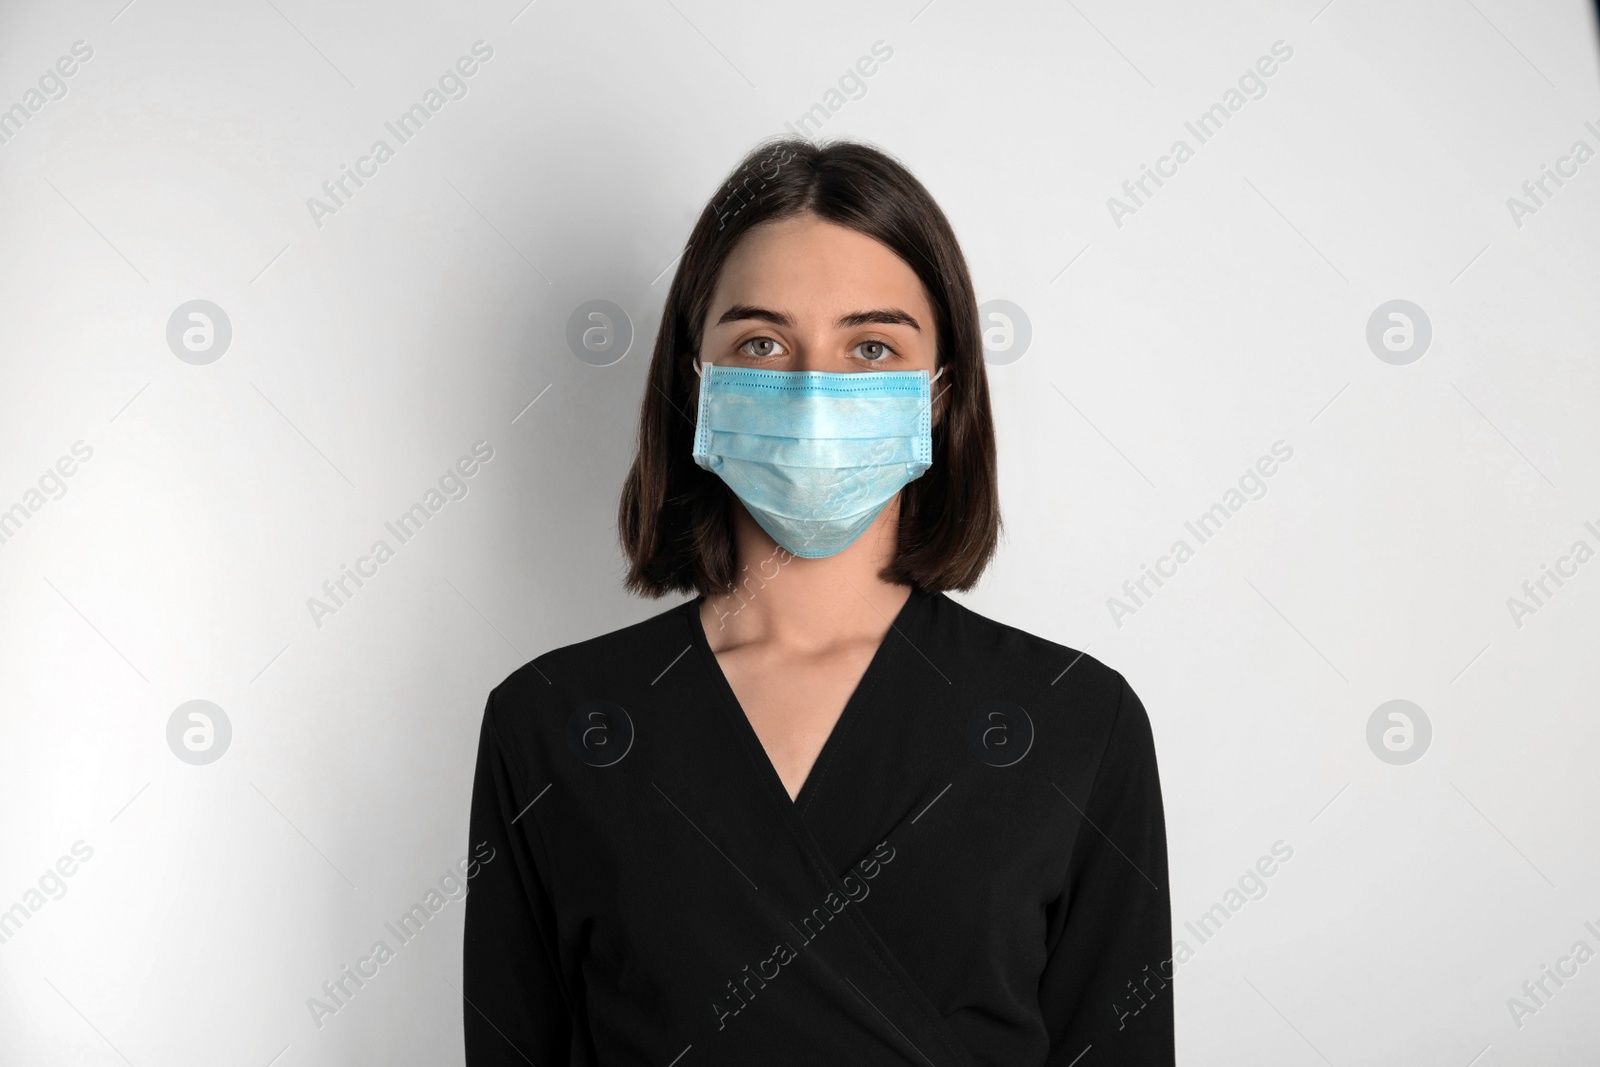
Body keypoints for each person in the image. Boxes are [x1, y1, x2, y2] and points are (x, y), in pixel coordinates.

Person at [462, 138, 1173, 1065]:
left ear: (941, 391)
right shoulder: (553, 724)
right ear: (698, 383)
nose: (813, 390)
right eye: (762, 342)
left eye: (871, 345)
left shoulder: (1077, 722)